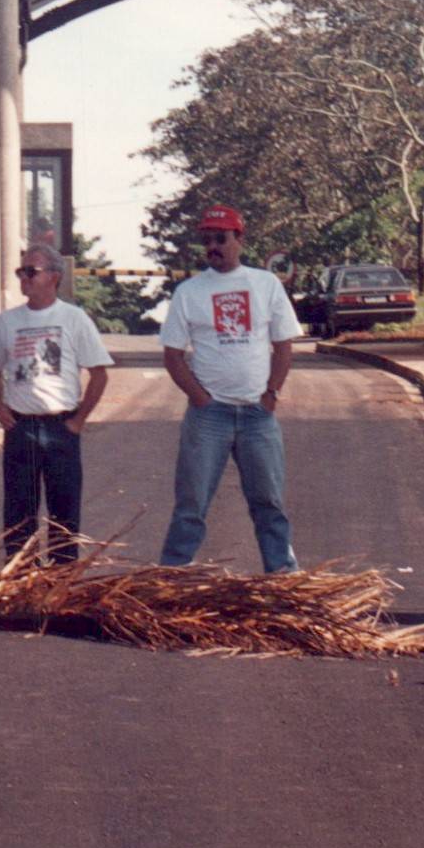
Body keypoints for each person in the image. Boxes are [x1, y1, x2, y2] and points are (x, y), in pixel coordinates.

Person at [157, 204, 302, 575]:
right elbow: (173, 355)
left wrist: (271, 394)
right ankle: (171, 579)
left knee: (269, 503)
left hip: (257, 416)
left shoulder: (265, 284)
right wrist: (200, 398)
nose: (213, 247)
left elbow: (284, 344)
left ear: (239, 238)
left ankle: (284, 578)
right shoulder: (189, 292)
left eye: (221, 238)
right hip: (210, 417)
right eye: (207, 240)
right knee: (191, 504)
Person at [0, 245, 112, 564]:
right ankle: (19, 589)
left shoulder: (74, 318)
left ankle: (61, 591)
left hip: (61, 429)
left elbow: (99, 374)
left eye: (31, 271)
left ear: (54, 277)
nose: (23, 278)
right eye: (21, 271)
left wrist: (78, 421)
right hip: (21, 429)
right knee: (18, 519)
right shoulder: (5, 323)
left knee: (64, 520)